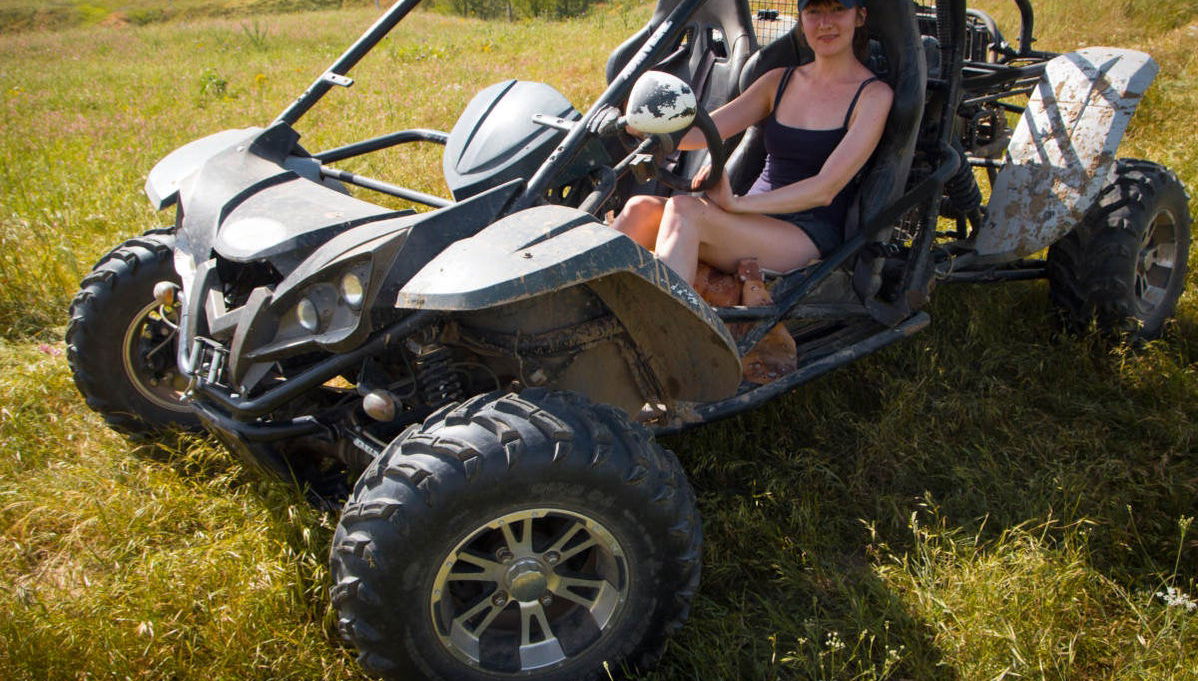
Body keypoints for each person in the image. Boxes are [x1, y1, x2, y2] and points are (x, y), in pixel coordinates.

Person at [609, 0, 893, 286]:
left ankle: (668, 325)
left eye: (837, 10)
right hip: (750, 218)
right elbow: (703, 133)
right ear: (802, 20)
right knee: (639, 208)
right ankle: (583, 309)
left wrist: (738, 204)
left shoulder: (873, 96)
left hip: (805, 231)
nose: (825, 23)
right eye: (814, 12)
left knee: (684, 209)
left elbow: (824, 190)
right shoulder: (779, 81)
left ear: (860, 16)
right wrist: (642, 127)